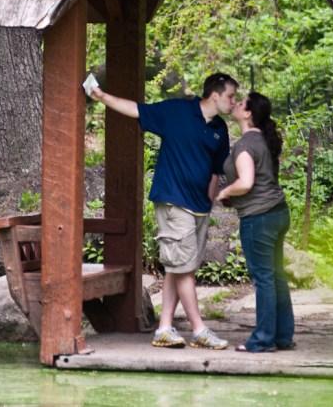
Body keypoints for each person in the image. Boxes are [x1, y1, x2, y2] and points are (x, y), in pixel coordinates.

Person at [88, 73, 239, 350]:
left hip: (200, 208)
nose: (234, 102)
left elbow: (216, 170)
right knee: (185, 270)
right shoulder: (176, 111)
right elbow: (136, 109)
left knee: (177, 267)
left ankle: (164, 328)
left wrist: (208, 201)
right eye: (231, 96)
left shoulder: (220, 128)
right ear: (214, 95)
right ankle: (199, 329)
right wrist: (102, 97)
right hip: (173, 202)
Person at [216, 91, 294, 353]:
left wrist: (226, 192)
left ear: (248, 113)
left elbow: (247, 182)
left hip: (258, 219)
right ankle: (282, 336)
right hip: (278, 213)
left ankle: (262, 340)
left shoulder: (245, 145)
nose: (235, 104)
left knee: (263, 279)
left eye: (240, 103)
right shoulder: (264, 140)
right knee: (276, 276)